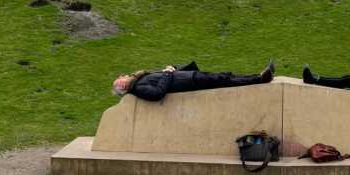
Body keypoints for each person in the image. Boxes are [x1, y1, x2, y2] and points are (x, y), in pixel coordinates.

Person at [113, 60, 275, 101]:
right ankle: (260, 79)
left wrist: (171, 69)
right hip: (188, 81)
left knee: (225, 76)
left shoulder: (139, 79)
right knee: (224, 80)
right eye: (119, 79)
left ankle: (259, 76)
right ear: (122, 86)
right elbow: (158, 93)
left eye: (120, 76)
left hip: (187, 77)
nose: (122, 76)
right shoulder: (139, 87)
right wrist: (168, 73)